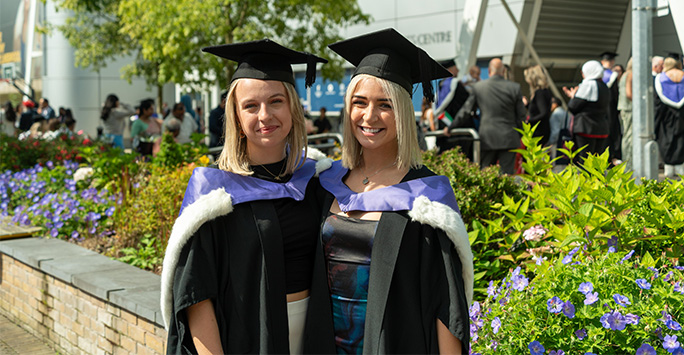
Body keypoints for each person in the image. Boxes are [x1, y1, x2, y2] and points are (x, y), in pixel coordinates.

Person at [306, 28, 472, 354]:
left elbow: (444, 301)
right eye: (359, 103)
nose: (369, 116)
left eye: (385, 105)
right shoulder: (326, 183)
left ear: (403, 112)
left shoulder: (425, 197)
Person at [160, 39, 328, 354]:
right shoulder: (215, 193)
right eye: (251, 105)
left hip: (318, 337)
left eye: (276, 101)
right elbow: (197, 296)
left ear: (292, 106)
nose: (265, 115)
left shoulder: (317, 179)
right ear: (236, 116)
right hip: (248, 338)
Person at [446, 58, 526, 174]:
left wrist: (450, 127)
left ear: (489, 71)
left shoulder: (479, 87)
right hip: (509, 137)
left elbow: (466, 111)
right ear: (503, 71)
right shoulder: (514, 88)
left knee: (486, 174)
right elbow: (521, 115)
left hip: (487, 137)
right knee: (507, 176)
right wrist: (521, 135)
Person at [562, 60, 611, 164]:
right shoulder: (604, 86)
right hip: (602, 128)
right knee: (598, 163)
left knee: (585, 161)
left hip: (585, 128)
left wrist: (573, 96)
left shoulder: (587, 85)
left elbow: (573, 107)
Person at [654, 56, 684, 177]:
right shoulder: (682, 75)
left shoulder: (660, 78)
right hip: (682, 112)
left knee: (666, 136)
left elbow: (657, 102)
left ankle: (669, 166)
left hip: (666, 112)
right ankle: (680, 165)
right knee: (681, 137)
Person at [434, 59, 471, 155]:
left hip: (443, 132)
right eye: (456, 69)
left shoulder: (440, 87)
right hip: (458, 132)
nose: (458, 71)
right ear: (450, 70)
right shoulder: (457, 86)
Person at [600, 51, 622, 165]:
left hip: (600, 108)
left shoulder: (598, 75)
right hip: (610, 108)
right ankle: (613, 156)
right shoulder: (612, 76)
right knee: (612, 130)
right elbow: (615, 95)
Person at [524, 65, 553, 146]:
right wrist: (528, 105)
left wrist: (529, 121)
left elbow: (543, 113)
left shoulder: (539, 93)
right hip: (544, 129)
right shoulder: (545, 91)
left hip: (538, 132)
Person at [618, 58, 633, 170]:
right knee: (629, 136)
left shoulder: (624, 75)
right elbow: (629, 93)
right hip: (630, 108)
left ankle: (627, 162)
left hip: (624, 107)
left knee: (627, 135)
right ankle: (629, 163)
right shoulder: (631, 74)